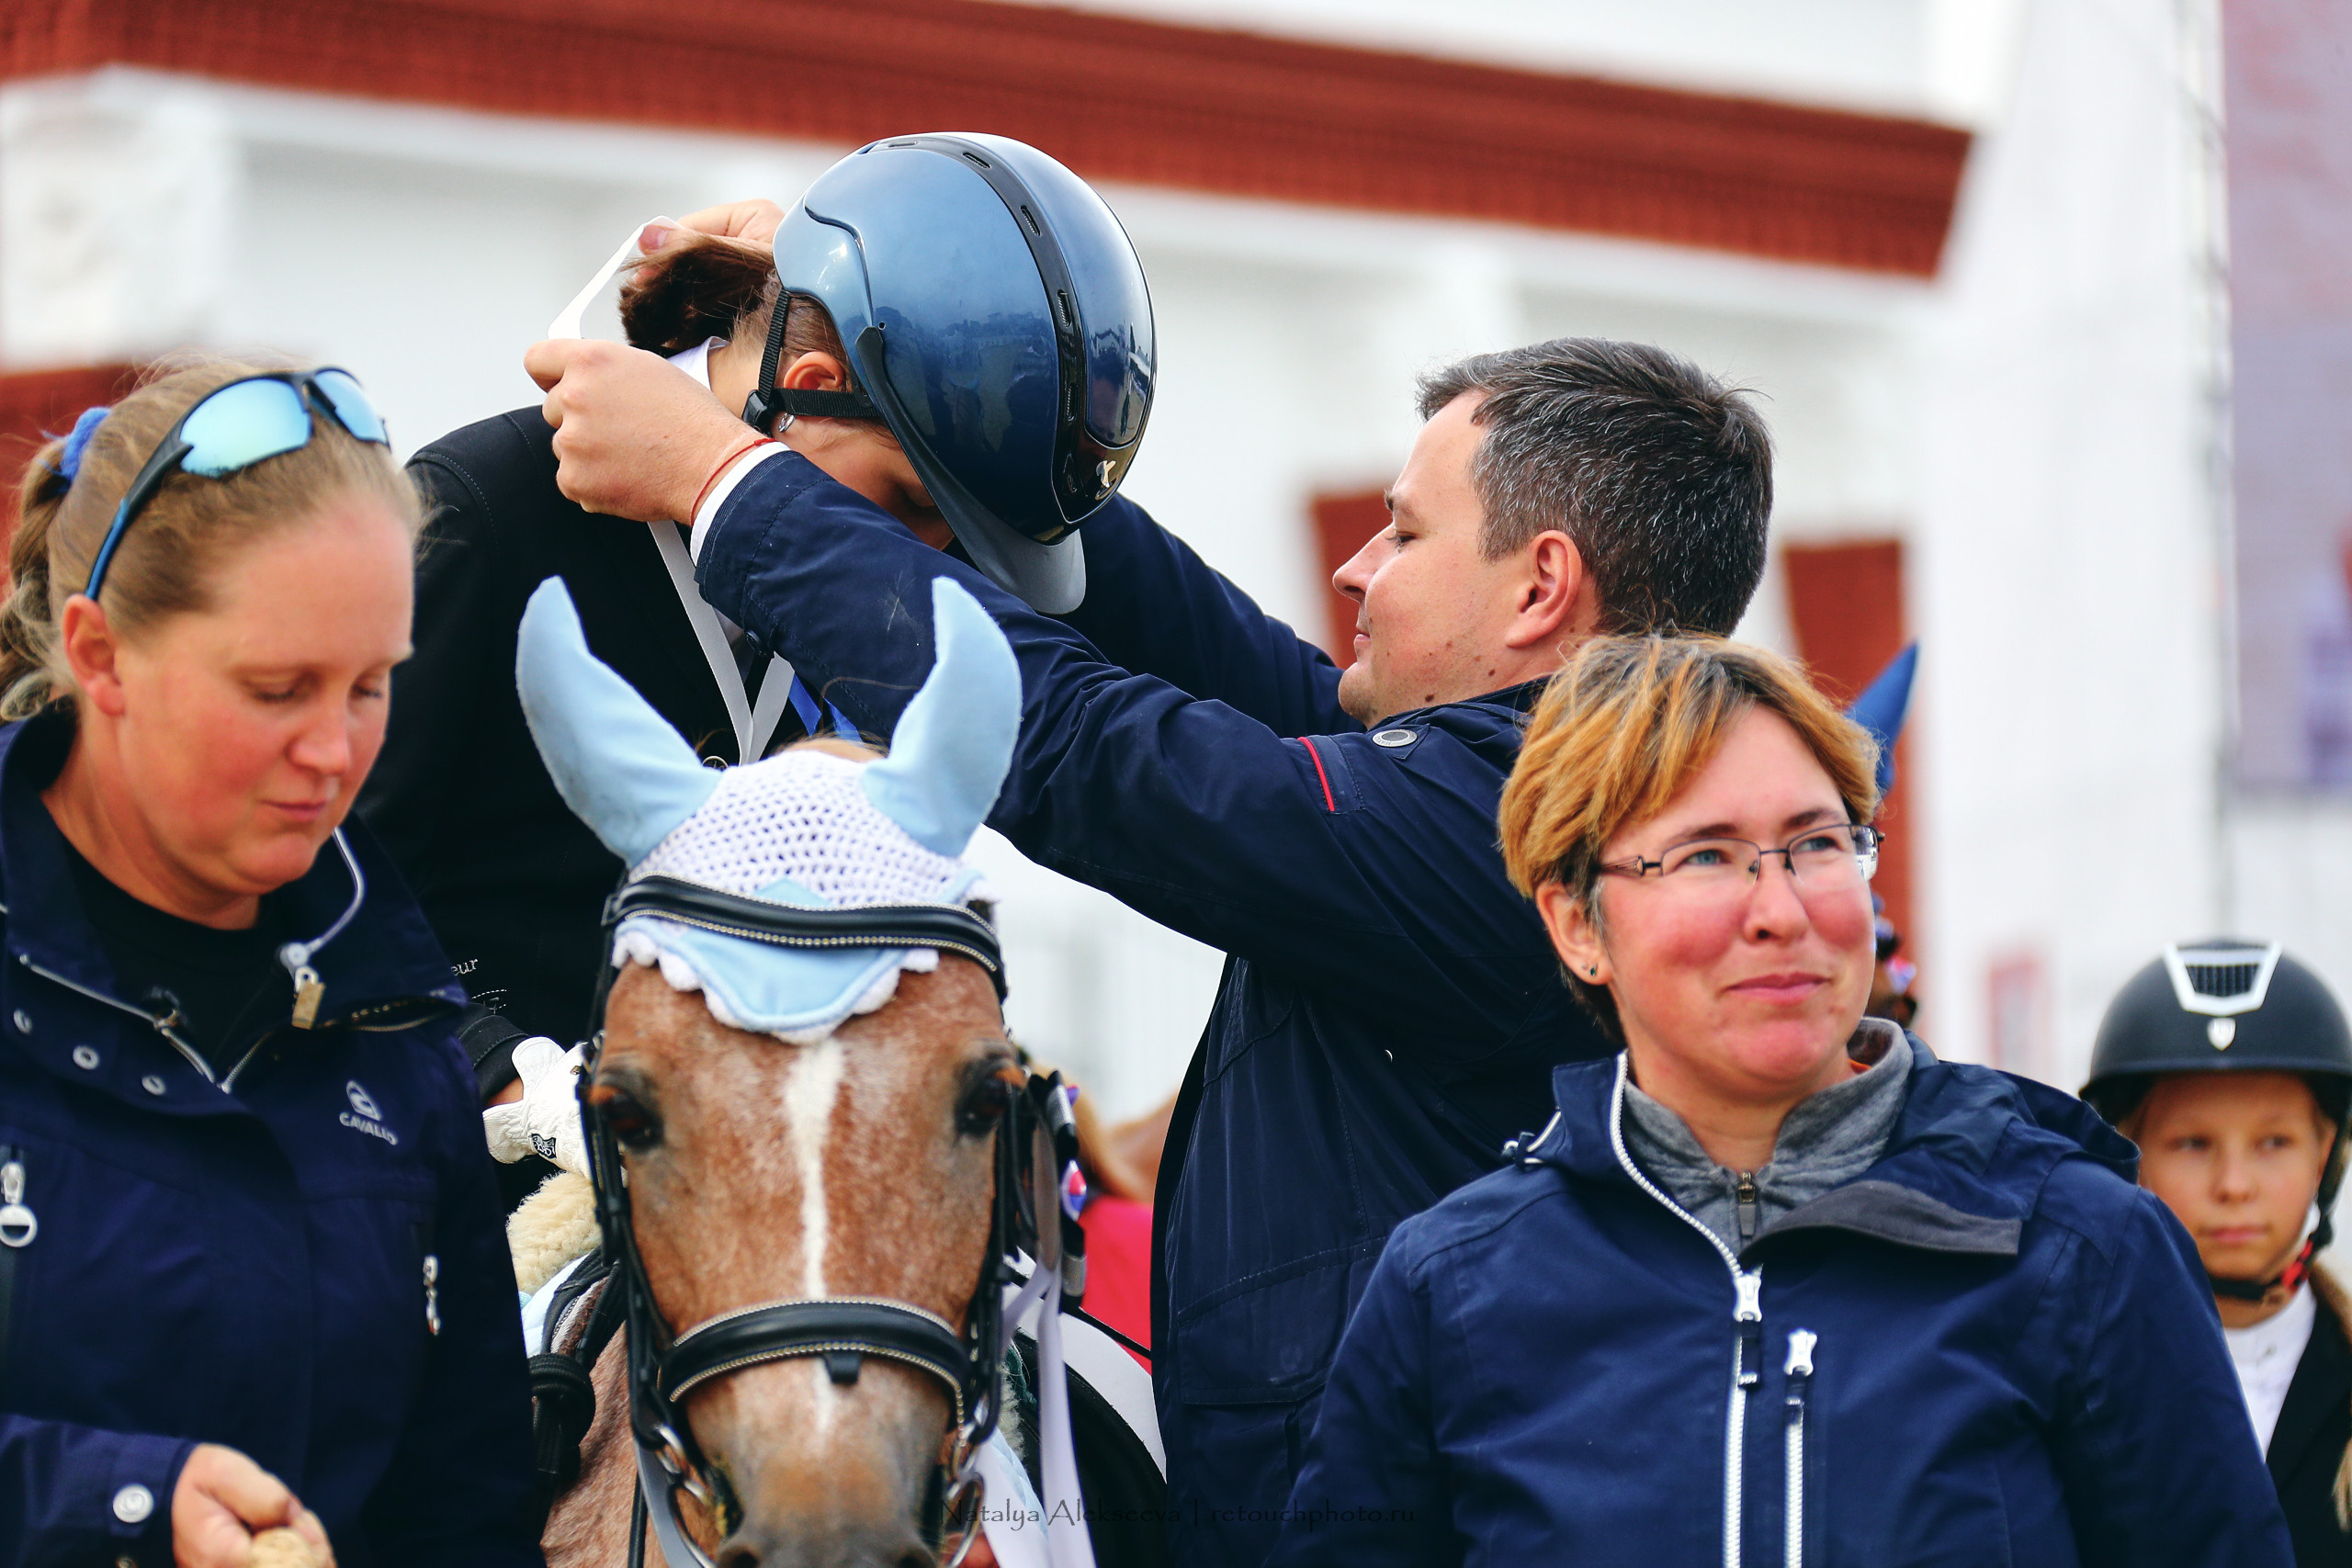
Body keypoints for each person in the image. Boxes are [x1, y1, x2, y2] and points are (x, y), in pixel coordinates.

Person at [524, 141, 1775, 1563]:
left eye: (1406, 530)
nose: (1359, 570)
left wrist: (728, 482)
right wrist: (898, 364)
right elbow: (1189, 650)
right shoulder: (1513, 801)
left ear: (1543, 585)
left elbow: (1089, 748)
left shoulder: (1526, 840)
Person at [1270, 635, 2292, 1567]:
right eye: (1706, 854)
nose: (1780, 909)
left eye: (1815, 843)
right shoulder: (1452, 1288)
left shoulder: (2082, 1246)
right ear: (1577, 925)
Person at [0, 360, 538, 1566]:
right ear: (99, 655)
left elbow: (468, 1514)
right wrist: (124, 1505)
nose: (333, 748)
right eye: (276, 687)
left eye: (371, 683)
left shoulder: (400, 1032)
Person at [356, 209, 894, 1206]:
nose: (919, 549)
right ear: (811, 394)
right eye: (911, 503)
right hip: (474, 1180)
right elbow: (341, 873)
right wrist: (503, 1066)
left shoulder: (861, 577)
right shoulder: (483, 507)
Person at [2084, 942, 2352, 1565]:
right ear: (2129, 1155)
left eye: (2273, 1141)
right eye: (2193, 1142)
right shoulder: (2068, 1387)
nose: (2234, 1184)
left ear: (2326, 1153)